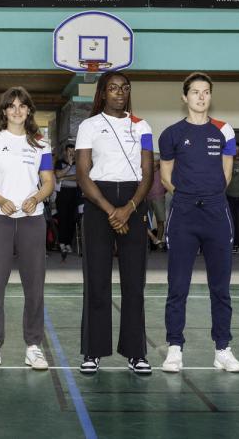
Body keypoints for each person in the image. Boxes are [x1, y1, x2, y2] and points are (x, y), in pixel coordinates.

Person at [158, 72, 239, 374]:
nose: (200, 97)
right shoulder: (171, 133)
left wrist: (208, 194)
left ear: (210, 95)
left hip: (216, 213)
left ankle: (223, 348)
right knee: (177, 286)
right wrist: (183, 194)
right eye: (195, 92)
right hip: (183, 214)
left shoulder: (225, 131)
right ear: (185, 97)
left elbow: (227, 174)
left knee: (220, 287)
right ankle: (174, 349)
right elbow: (165, 175)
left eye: (205, 92)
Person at [75, 71, 154, 375]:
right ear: (103, 93)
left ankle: (136, 352)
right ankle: (93, 351)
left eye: (124, 88)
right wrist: (112, 210)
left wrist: (130, 208)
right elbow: (83, 173)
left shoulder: (142, 125)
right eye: (113, 88)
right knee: (97, 281)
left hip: (134, 200)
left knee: (134, 283)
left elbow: (148, 173)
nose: (120, 93)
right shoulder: (89, 126)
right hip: (100, 202)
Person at [0, 87, 55, 372]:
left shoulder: (41, 143)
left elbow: (48, 182)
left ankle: (33, 346)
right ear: (4, 111)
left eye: (22, 106)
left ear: (29, 110)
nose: (17, 111)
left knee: (35, 287)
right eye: (11, 106)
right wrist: (1, 200)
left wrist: (35, 198)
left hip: (33, 221)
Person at [54, 143, 80, 262]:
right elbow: (58, 175)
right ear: (65, 152)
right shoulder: (60, 162)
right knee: (63, 218)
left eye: (73, 151)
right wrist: (69, 166)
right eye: (70, 151)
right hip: (63, 193)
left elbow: (79, 177)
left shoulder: (78, 163)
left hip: (74, 193)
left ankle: (68, 242)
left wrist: (65, 177)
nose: (72, 154)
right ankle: (62, 242)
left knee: (72, 219)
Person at [146, 158, 167, 251]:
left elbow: (167, 182)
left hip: (159, 197)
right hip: (146, 198)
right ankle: (150, 242)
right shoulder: (145, 169)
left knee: (160, 221)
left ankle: (158, 242)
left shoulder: (162, 170)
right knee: (144, 221)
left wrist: (162, 192)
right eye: (153, 160)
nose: (153, 162)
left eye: (155, 160)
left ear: (158, 162)